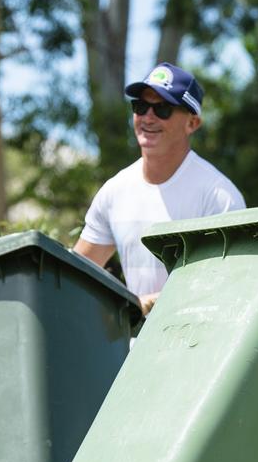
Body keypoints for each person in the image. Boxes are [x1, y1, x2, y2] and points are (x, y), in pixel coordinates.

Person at [74, 62, 245, 314]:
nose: (148, 117)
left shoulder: (219, 195)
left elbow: (230, 283)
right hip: (135, 349)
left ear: (193, 123)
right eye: (140, 106)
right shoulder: (114, 191)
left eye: (163, 108)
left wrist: (146, 304)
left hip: (200, 347)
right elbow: (77, 272)